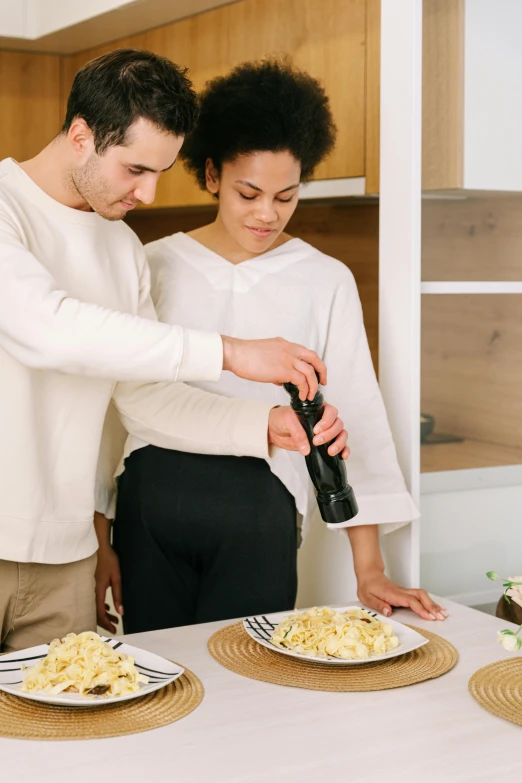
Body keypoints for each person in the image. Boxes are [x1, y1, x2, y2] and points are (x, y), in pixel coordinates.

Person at [0, 50, 349, 653]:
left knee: (75, 742)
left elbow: (144, 399)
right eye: (136, 169)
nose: (150, 193)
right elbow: (46, 329)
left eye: (160, 171)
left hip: (63, 566)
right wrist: (231, 353)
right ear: (81, 136)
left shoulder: (122, 249)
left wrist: (268, 425)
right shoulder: (6, 210)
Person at [95, 59, 447, 635]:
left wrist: (370, 569)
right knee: (153, 678)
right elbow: (112, 408)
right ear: (211, 174)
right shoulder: (151, 262)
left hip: (260, 515)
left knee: (253, 684)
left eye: (286, 197)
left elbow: (354, 412)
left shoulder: (324, 277)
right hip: (148, 507)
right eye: (248, 192)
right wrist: (99, 538)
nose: (266, 214)